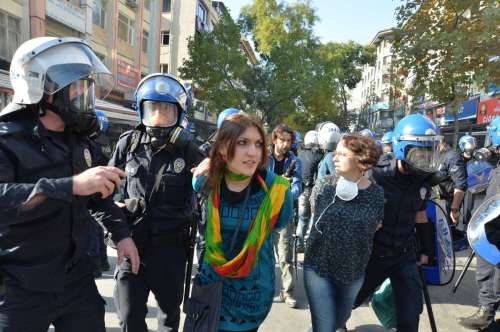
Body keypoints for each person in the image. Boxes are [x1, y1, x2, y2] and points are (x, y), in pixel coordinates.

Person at [0, 36, 139, 331]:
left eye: (86, 85)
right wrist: (71, 185)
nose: (83, 93)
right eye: (73, 85)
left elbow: (100, 193)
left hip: (76, 279)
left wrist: (122, 234)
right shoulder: (6, 138)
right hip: (19, 283)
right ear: (39, 86)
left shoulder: (79, 139)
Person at [109, 73, 204, 332]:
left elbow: (212, 181)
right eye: (153, 109)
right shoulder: (127, 144)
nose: (159, 116)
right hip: (131, 246)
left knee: (168, 321)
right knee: (129, 318)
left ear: (179, 114)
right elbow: (108, 188)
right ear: (142, 109)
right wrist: (117, 215)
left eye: (166, 110)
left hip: (170, 250)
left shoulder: (188, 150)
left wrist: (196, 151)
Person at [192, 112, 293, 332]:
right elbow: (195, 182)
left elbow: (279, 224)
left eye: (258, 144)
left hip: (251, 298)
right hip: (212, 292)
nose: (252, 152)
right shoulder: (205, 181)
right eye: (242, 143)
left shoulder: (278, 193)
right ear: (222, 147)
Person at [353, 114, 440, 332]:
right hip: (373, 255)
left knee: (410, 316)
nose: (425, 159)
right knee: (347, 302)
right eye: (420, 153)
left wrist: (427, 249)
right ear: (402, 148)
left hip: (404, 256)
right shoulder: (376, 176)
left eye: (429, 153)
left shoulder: (422, 183)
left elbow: (420, 216)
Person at [304, 134, 384, 332]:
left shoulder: (376, 194)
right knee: (325, 326)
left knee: (339, 320)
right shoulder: (323, 186)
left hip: (353, 271)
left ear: (361, 159)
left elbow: (375, 227)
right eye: (335, 153)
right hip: (318, 267)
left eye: (342, 154)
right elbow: (315, 214)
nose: (334, 158)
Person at [458, 116, 500, 331]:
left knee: (490, 267)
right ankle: (487, 309)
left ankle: (487, 311)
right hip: (490, 229)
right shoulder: (495, 164)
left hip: (495, 235)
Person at [268, 123, 302, 308]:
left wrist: (285, 189)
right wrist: (278, 184)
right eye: (282, 140)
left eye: (289, 141)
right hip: (263, 212)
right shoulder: (263, 157)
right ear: (275, 139)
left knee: (285, 255)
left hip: (284, 212)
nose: (285, 144)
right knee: (262, 254)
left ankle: (287, 292)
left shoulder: (295, 161)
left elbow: (298, 187)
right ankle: (264, 290)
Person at [88, 110, 113, 277]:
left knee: (93, 227)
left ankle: (96, 264)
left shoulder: (93, 142)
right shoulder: (106, 141)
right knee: (99, 226)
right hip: (106, 186)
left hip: (93, 187)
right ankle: (103, 261)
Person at [436, 136, 468, 248]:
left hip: (449, 201)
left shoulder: (452, 156)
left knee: (449, 232)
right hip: (439, 201)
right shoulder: (439, 155)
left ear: (440, 143)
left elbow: (461, 184)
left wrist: (454, 209)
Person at [296, 130, 323, 252]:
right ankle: (311, 244)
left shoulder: (300, 154)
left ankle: (299, 243)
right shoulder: (318, 155)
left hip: (302, 188)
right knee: (313, 217)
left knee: (302, 218)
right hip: (313, 189)